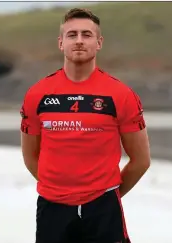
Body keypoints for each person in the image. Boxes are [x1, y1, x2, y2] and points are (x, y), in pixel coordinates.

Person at [20, 7, 150, 243]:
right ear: (61, 43)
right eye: (72, 35)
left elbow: (141, 160)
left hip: (103, 209)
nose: (79, 41)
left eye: (86, 35)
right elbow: (30, 156)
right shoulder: (37, 95)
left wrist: (107, 195)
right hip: (52, 209)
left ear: (99, 43)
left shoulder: (121, 95)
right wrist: (60, 189)